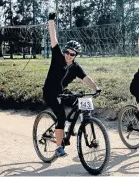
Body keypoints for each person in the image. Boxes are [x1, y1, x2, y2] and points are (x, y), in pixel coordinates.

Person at [42, 13, 101, 157]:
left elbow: (86, 78)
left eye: (72, 54)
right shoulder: (57, 57)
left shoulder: (75, 67)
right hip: (50, 92)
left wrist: (96, 88)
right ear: (63, 51)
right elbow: (53, 38)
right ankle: (58, 148)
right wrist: (51, 21)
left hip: (62, 91)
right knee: (61, 116)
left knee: (80, 102)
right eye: (67, 52)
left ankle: (79, 125)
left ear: (76, 56)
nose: (69, 55)